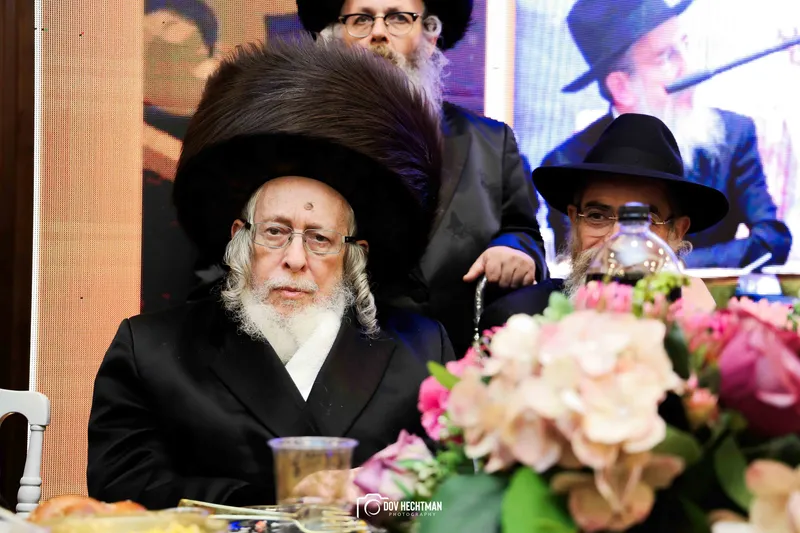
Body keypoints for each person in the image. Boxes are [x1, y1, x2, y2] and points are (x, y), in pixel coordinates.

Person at [87, 37, 454, 509]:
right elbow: (122, 488)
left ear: (354, 255)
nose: (295, 258)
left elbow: (452, 495)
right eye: (276, 232)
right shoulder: (151, 351)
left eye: (320, 239)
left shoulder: (423, 352)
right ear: (240, 238)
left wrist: (378, 499)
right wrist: (284, 501)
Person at [295, 0, 548, 357]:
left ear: (429, 36)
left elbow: (523, 231)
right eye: (361, 19)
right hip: (344, 366)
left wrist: (515, 249)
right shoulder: (300, 142)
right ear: (338, 39)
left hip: (463, 364)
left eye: (398, 18)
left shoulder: (490, 142)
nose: (378, 32)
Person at [543, 0, 791, 269]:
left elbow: (771, 239)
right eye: (665, 57)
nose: (689, 66)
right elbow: (588, 264)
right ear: (622, 87)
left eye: (685, 45)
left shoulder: (733, 136)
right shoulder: (569, 164)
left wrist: (674, 267)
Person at [480, 113, 728, 330]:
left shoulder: (699, 325)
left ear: (677, 232)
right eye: (597, 217)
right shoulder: (518, 324)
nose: (616, 241)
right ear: (574, 221)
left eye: (643, 221)